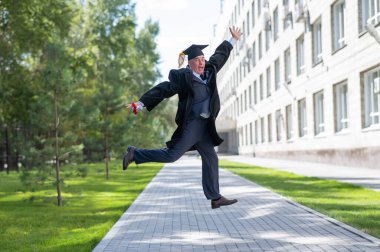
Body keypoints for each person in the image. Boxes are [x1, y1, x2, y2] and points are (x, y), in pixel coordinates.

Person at [124, 26, 242, 209]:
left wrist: (232, 40)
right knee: (171, 156)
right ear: (190, 63)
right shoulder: (183, 77)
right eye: (198, 60)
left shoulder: (209, 70)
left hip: (205, 126)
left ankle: (215, 197)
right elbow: (163, 89)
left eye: (203, 59)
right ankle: (135, 153)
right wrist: (141, 103)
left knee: (211, 158)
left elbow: (220, 56)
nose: (202, 63)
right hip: (193, 124)